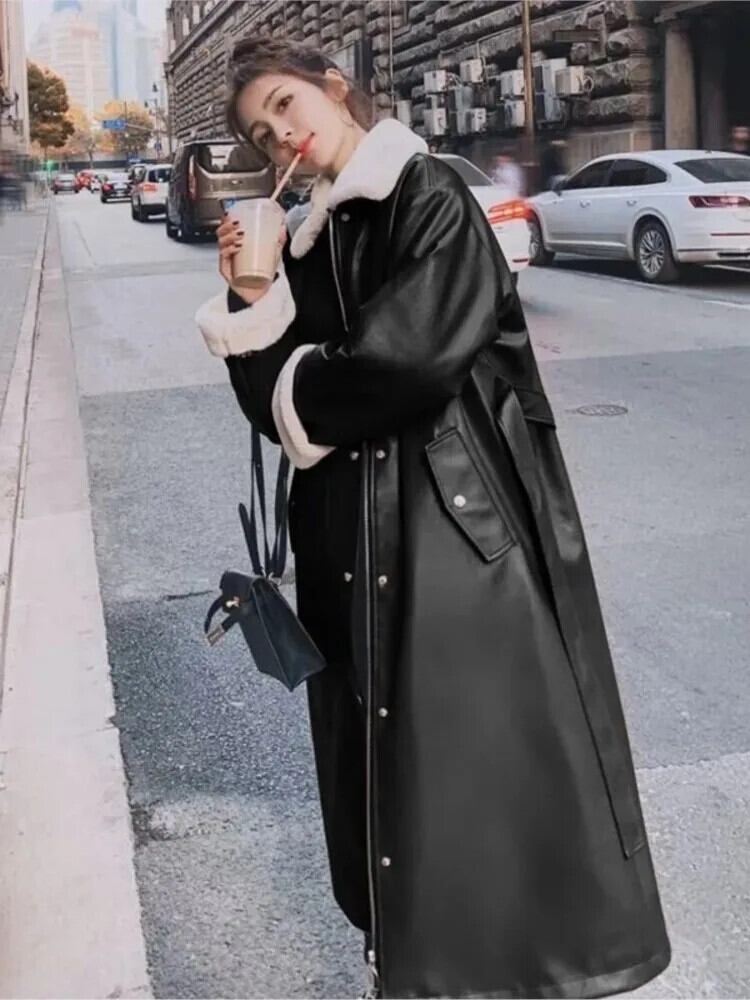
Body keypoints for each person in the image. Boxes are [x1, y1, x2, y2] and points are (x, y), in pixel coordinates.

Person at [195, 36, 671, 1000]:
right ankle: (401, 962)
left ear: (335, 88)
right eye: (260, 133)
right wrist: (253, 297)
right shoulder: (313, 236)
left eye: (287, 105)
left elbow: (404, 364)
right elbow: (277, 412)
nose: (281, 135)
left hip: (448, 536)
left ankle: (488, 973)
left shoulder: (428, 194)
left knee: (468, 772)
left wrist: (298, 371)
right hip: (350, 536)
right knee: (381, 771)